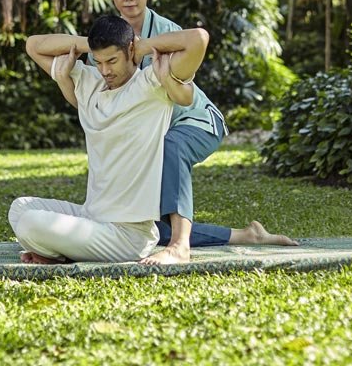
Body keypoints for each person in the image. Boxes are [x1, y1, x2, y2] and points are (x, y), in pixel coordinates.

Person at [93, 0, 296, 264]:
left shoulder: (169, 32)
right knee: (147, 226)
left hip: (196, 122)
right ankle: (247, 235)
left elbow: (184, 92)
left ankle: (180, 245)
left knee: (172, 146)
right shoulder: (107, 36)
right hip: (150, 139)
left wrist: (147, 47)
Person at [11, 15, 208, 263]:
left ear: (129, 52)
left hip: (127, 235)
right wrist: (88, 45)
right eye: (99, 61)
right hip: (91, 217)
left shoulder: (151, 84)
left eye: (112, 61)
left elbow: (198, 39)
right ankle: (62, 251)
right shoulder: (88, 82)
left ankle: (57, 249)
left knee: (31, 224)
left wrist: (143, 46)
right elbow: (34, 45)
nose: (105, 70)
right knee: (20, 209)